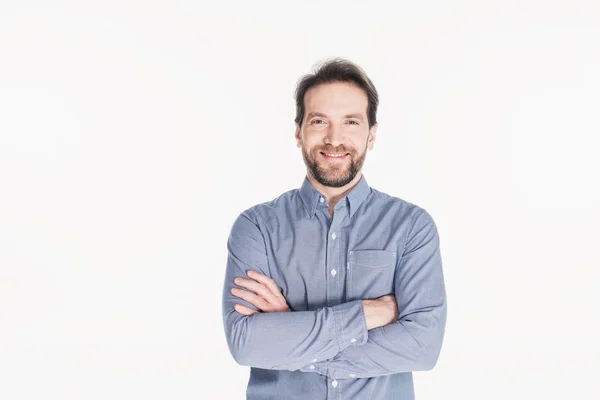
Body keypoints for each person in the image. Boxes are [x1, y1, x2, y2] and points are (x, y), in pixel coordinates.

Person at [221, 58, 447, 400]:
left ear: (371, 135)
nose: (334, 139)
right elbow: (246, 344)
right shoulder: (256, 228)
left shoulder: (412, 227)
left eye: (351, 122)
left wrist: (292, 331)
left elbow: (422, 348)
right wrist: (368, 314)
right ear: (299, 132)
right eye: (319, 121)